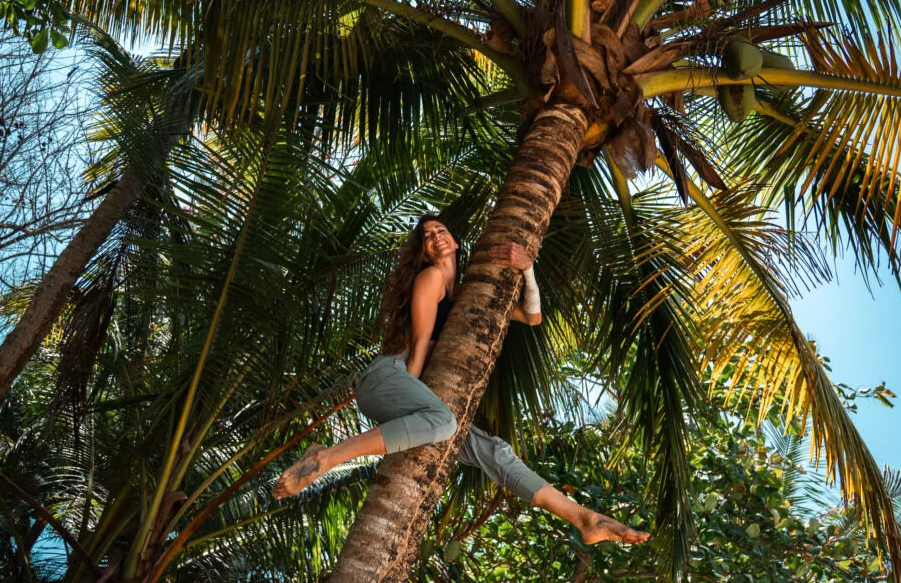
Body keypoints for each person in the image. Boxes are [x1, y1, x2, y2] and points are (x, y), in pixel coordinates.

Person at [272, 215, 649, 545]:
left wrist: (528, 268)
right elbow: (419, 346)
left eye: (441, 229)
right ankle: (326, 457)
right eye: (427, 236)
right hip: (389, 376)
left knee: (494, 451)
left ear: (455, 239)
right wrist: (415, 399)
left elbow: (532, 317)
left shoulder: (469, 294)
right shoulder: (431, 276)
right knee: (443, 422)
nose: (436, 235)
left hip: (414, 397)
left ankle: (583, 518)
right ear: (423, 252)